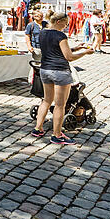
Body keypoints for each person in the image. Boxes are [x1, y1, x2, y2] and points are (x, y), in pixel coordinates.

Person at [31, 12, 92, 145]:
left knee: (46, 101)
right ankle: (57, 135)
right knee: (60, 105)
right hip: (60, 71)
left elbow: (55, 49)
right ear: (58, 21)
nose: (66, 26)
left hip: (45, 70)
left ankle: (38, 128)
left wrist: (76, 48)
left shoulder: (43, 33)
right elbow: (69, 57)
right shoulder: (60, 35)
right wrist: (85, 52)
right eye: (66, 23)